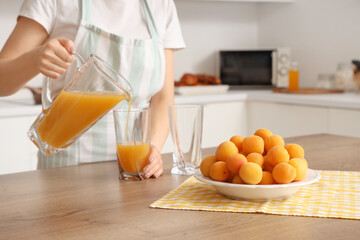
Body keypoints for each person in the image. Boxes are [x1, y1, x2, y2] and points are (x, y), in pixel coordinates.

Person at [0, 0, 185, 178]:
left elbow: (163, 99)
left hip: (134, 173)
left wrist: (153, 150)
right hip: (65, 174)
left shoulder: (162, 5)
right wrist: (35, 59)